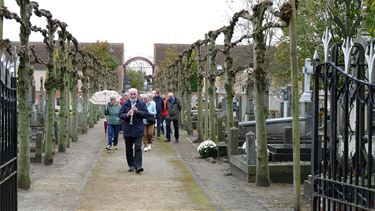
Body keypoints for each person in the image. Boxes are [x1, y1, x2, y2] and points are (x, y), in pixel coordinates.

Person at [119, 88, 149, 173]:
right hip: (128, 130)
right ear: (129, 95)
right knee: (128, 149)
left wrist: (137, 111)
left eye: (134, 94)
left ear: (137, 94)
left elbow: (146, 114)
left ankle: (138, 166)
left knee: (138, 148)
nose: (133, 96)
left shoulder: (141, 103)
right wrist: (127, 114)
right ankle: (131, 165)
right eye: (131, 94)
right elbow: (120, 115)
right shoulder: (125, 104)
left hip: (138, 130)